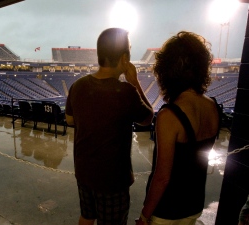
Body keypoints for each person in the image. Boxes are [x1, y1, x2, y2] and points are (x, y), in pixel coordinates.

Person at [65, 27, 154, 225]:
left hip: (83, 170)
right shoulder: (126, 91)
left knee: (87, 216)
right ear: (124, 58)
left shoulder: (77, 86)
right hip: (113, 179)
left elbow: (70, 120)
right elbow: (148, 117)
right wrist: (135, 82)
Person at [136, 31, 222, 225]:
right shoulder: (213, 106)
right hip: (194, 205)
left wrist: (144, 215)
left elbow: (162, 177)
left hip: (168, 210)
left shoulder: (169, 116)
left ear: (167, 71)